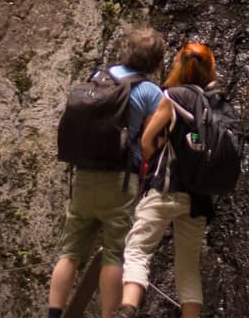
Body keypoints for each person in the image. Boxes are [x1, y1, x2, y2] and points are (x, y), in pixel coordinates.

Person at [46, 25, 166, 318]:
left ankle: (53, 314)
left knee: (70, 253)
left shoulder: (98, 78)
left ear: (125, 49)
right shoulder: (151, 92)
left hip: (84, 175)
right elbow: (154, 142)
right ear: (155, 60)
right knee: (114, 255)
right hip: (119, 180)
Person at [117, 41, 222, 318]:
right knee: (188, 267)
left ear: (178, 66)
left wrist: (154, 157)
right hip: (198, 198)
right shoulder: (217, 103)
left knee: (138, 250)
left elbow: (147, 140)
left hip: (165, 189)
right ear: (210, 68)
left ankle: (127, 309)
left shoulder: (173, 96)